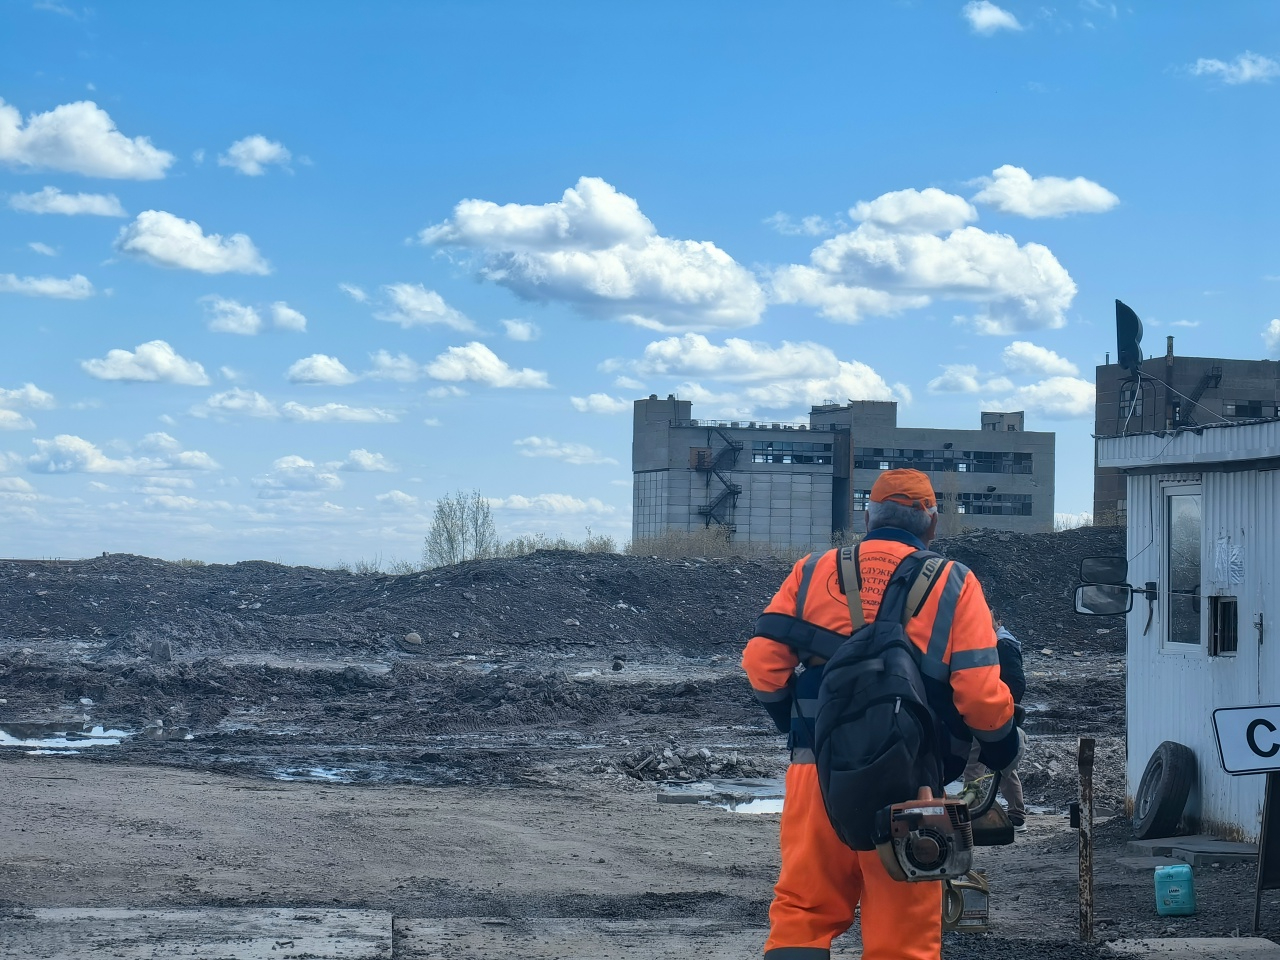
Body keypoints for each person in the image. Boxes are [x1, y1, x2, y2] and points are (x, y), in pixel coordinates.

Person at [741, 468, 1022, 960]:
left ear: (868, 519)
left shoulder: (811, 570)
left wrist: (804, 728)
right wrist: (1003, 747)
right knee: (903, 933)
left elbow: (763, 664)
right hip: (911, 788)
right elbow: (979, 695)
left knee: (804, 911)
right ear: (931, 524)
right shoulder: (956, 583)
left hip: (817, 775)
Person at [963, 611, 1028, 831]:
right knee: (1003, 763)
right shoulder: (999, 642)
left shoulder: (1003, 645)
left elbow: (1016, 682)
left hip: (992, 713)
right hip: (993, 712)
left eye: (988, 616)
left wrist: (1006, 708)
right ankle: (1016, 814)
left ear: (998, 621)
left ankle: (972, 815)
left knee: (975, 764)